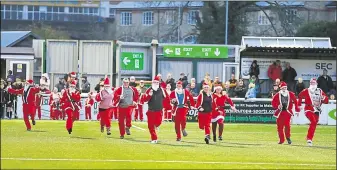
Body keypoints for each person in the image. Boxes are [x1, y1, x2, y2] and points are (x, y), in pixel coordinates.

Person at [298, 78, 328, 146]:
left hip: (317, 110)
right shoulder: (306, 90)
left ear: (316, 84)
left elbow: (326, 100)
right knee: (313, 121)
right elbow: (299, 96)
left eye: (314, 83)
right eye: (311, 83)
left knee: (314, 123)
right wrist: (299, 105)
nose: (312, 84)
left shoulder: (320, 91)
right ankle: (309, 139)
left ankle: (309, 137)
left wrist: (324, 98)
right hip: (308, 108)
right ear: (310, 84)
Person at [141, 76, 169, 143]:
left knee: (158, 123)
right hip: (151, 111)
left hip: (159, 111)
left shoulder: (162, 90)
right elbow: (144, 100)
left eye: (157, 82)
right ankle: (154, 139)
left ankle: (156, 125)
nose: (155, 83)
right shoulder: (148, 90)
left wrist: (168, 107)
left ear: (159, 83)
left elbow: (167, 98)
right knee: (150, 126)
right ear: (152, 82)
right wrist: (149, 95)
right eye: (154, 82)